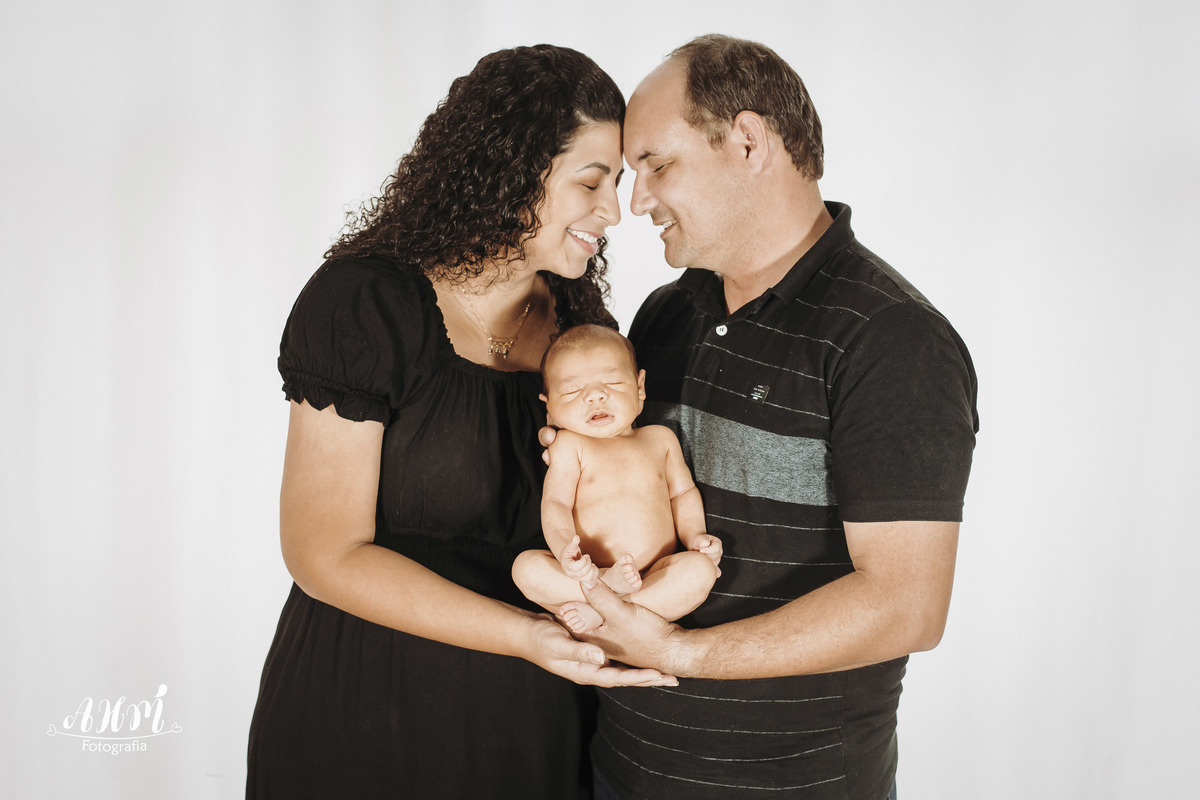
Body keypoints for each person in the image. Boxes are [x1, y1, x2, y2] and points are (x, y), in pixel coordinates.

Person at [546, 35, 980, 799]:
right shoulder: (667, 315)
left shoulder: (890, 338)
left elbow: (905, 605)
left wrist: (681, 653)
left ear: (748, 142)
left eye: (656, 165)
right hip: (620, 767)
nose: (636, 202)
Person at [245, 45, 677, 800]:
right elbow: (322, 552)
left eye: (616, 184)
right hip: (368, 711)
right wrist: (525, 636)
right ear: (513, 170)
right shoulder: (365, 304)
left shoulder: (581, 332)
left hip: (532, 725)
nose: (614, 211)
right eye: (591, 182)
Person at [511, 324, 722, 635]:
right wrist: (564, 551)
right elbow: (556, 503)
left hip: (655, 572)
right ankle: (608, 595)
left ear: (639, 387)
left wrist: (696, 536)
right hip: (588, 572)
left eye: (612, 382)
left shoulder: (660, 439)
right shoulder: (569, 445)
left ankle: (605, 609)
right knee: (526, 568)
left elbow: (682, 493)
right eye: (572, 390)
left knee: (700, 571)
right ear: (549, 405)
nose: (595, 396)